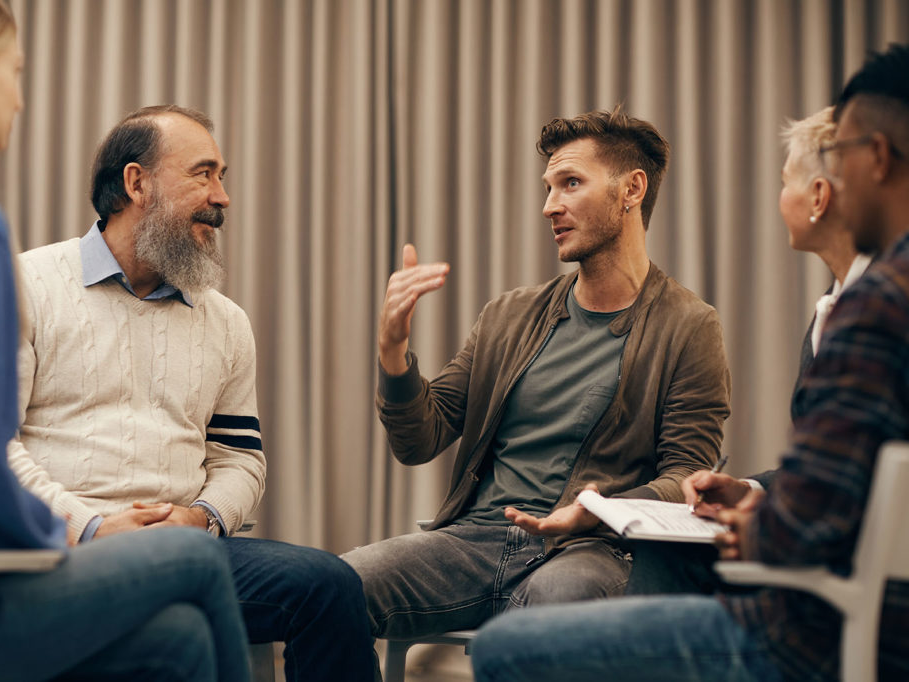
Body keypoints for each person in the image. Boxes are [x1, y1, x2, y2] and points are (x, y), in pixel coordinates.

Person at [471, 42, 909, 682]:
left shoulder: (874, 306)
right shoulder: (868, 299)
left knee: (506, 648)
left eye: (839, 155)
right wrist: (756, 492)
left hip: (817, 637)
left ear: (873, 159)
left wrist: (748, 527)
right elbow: (853, 478)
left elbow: (806, 528)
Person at [0, 1, 250, 681]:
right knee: (196, 559)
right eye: (15, 72)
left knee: (177, 641)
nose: (20, 99)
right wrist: (69, 538)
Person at [8, 104, 376, 682]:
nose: (223, 196)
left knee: (329, 585)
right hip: (62, 550)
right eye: (203, 174)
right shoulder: (26, 286)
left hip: (189, 549)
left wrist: (202, 519)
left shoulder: (225, 321)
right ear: (137, 184)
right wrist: (91, 527)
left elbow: (240, 459)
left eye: (221, 177)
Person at [342, 106, 731, 641]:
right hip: (475, 541)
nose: (550, 206)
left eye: (570, 183)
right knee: (333, 587)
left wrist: (595, 511)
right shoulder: (508, 315)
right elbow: (419, 440)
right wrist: (393, 351)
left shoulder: (689, 326)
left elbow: (686, 477)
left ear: (632, 190)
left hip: (592, 550)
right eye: (548, 188)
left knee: (551, 609)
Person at [626, 106, 873, 597]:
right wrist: (751, 490)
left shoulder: (872, 316)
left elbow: (855, 487)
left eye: (786, 182)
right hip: (816, 560)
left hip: (827, 597)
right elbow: (837, 467)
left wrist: (762, 530)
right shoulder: (836, 302)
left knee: (512, 649)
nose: (780, 198)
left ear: (818, 197)